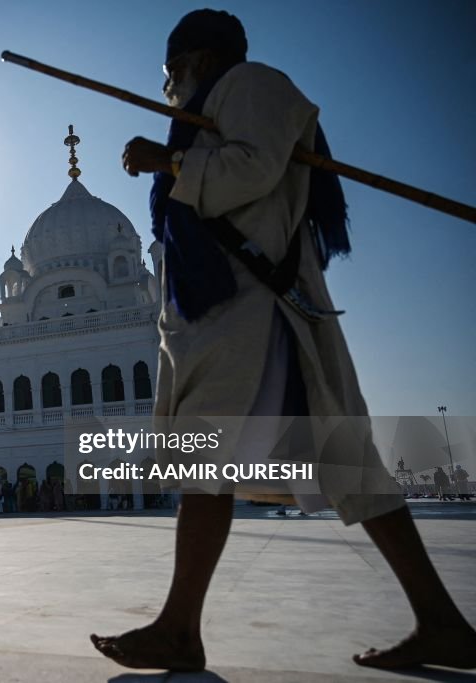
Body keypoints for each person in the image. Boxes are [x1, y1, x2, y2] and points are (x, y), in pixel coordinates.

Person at [91, 9, 476, 672]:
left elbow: (254, 168)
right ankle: (440, 620)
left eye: (172, 74)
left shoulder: (254, 85)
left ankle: (180, 628)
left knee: (219, 459)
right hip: (230, 313)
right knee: (308, 462)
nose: (170, 90)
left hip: (255, 312)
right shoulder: (221, 100)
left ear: (200, 60)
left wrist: (168, 160)